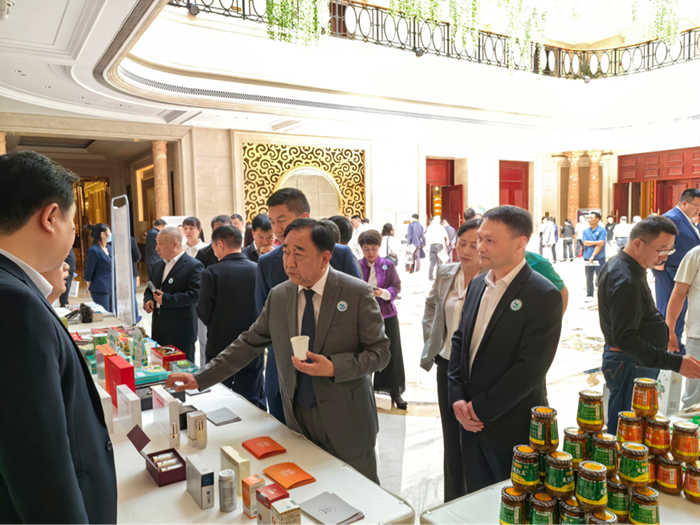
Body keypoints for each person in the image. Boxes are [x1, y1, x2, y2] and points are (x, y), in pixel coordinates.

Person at [167, 218, 390, 483]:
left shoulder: (356, 293)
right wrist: (200, 377)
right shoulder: (280, 296)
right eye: (285, 252)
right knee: (308, 491)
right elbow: (248, 342)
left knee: (360, 492)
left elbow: (380, 352)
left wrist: (334, 367)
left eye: (299, 254)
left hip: (347, 422)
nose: (289, 262)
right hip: (296, 420)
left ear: (324, 257)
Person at [0, 151, 116, 523]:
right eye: (73, 221)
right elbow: (39, 465)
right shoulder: (15, 303)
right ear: (50, 217)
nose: (73, 232)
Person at [448, 205, 563, 494]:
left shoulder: (542, 294)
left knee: (514, 501)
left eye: (490, 240)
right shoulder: (478, 283)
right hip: (469, 421)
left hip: (511, 424)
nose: (480, 247)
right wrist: (457, 397)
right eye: (480, 239)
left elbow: (531, 368)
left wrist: (480, 408)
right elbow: (460, 341)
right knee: (476, 496)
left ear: (520, 243)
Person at [255, 189, 361, 423]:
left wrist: (339, 366)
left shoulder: (339, 255)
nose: (277, 229)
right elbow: (263, 322)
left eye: (282, 220)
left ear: (304, 217)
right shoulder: (266, 263)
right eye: (272, 222)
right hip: (283, 375)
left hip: (333, 381)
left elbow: (360, 316)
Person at [599, 216, 700, 435]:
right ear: (638, 243)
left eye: (669, 250)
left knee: (633, 428)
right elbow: (625, 338)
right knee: (626, 432)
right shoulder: (625, 279)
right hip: (630, 364)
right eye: (661, 250)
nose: (664, 257)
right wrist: (675, 362)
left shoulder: (627, 267)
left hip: (635, 362)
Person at [421, 218, 482, 502]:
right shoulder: (446, 272)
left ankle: (475, 499)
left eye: (474, 245)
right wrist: (432, 341)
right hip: (446, 365)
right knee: (451, 436)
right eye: (462, 243)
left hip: (477, 369)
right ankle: (452, 500)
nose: (466, 250)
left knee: (474, 435)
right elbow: (431, 306)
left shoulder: (492, 278)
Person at [197, 225, 265, 409]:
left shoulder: (212, 272)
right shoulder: (258, 269)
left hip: (220, 344)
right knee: (251, 396)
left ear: (220, 244)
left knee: (220, 396)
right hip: (253, 343)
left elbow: (204, 312)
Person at [358, 229, 406, 409]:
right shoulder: (357, 265)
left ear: (379, 248)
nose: (370, 253)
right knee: (365, 353)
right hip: (364, 316)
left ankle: (395, 391)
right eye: (366, 249)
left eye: (374, 249)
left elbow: (396, 286)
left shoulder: (388, 265)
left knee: (393, 352)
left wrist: (384, 293)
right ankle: (363, 392)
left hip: (387, 314)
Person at [144, 227, 204, 362]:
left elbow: (195, 295)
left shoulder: (193, 265)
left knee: (182, 369)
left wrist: (166, 299)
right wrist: (148, 299)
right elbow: (150, 288)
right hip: (159, 328)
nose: (156, 248)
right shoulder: (158, 265)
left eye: (160, 244)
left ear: (174, 244)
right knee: (160, 367)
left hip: (181, 330)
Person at [653, 188, 700, 357]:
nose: (698, 210)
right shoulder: (671, 218)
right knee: (669, 310)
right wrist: (658, 262)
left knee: (680, 311)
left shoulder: (687, 219)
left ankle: (675, 346)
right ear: (685, 203)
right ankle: (668, 348)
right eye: (696, 205)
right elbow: (656, 241)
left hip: (683, 272)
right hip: (670, 272)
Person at [667, 244, 700, 409]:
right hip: (698, 335)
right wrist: (670, 329)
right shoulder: (696, 254)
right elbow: (678, 294)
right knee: (694, 400)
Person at [84, 223, 113, 312]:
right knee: (104, 314)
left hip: (112, 287)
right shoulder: (93, 250)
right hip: (100, 288)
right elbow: (89, 270)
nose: (111, 234)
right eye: (109, 232)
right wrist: (88, 284)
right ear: (103, 234)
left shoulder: (109, 248)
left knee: (112, 314)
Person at [583, 211, 606, 301]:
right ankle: (589, 294)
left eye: (591, 218)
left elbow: (600, 245)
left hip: (599, 258)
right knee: (589, 277)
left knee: (601, 277)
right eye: (588, 218)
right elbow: (585, 242)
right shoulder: (585, 231)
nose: (589, 219)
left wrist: (593, 255)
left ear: (597, 219)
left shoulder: (602, 230)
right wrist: (597, 242)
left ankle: (602, 296)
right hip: (587, 258)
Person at [426, 216, 449, 280]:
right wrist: (445, 246)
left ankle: (430, 276)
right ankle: (439, 276)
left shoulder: (429, 227)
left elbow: (427, 238)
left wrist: (427, 247)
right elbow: (445, 236)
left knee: (432, 262)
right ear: (439, 221)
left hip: (432, 246)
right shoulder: (441, 227)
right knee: (439, 262)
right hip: (439, 246)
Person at [130, 235, 142, 322]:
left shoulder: (111, 240)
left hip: (117, 272)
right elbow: (138, 256)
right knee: (132, 295)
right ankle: (135, 317)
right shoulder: (131, 240)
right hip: (131, 271)